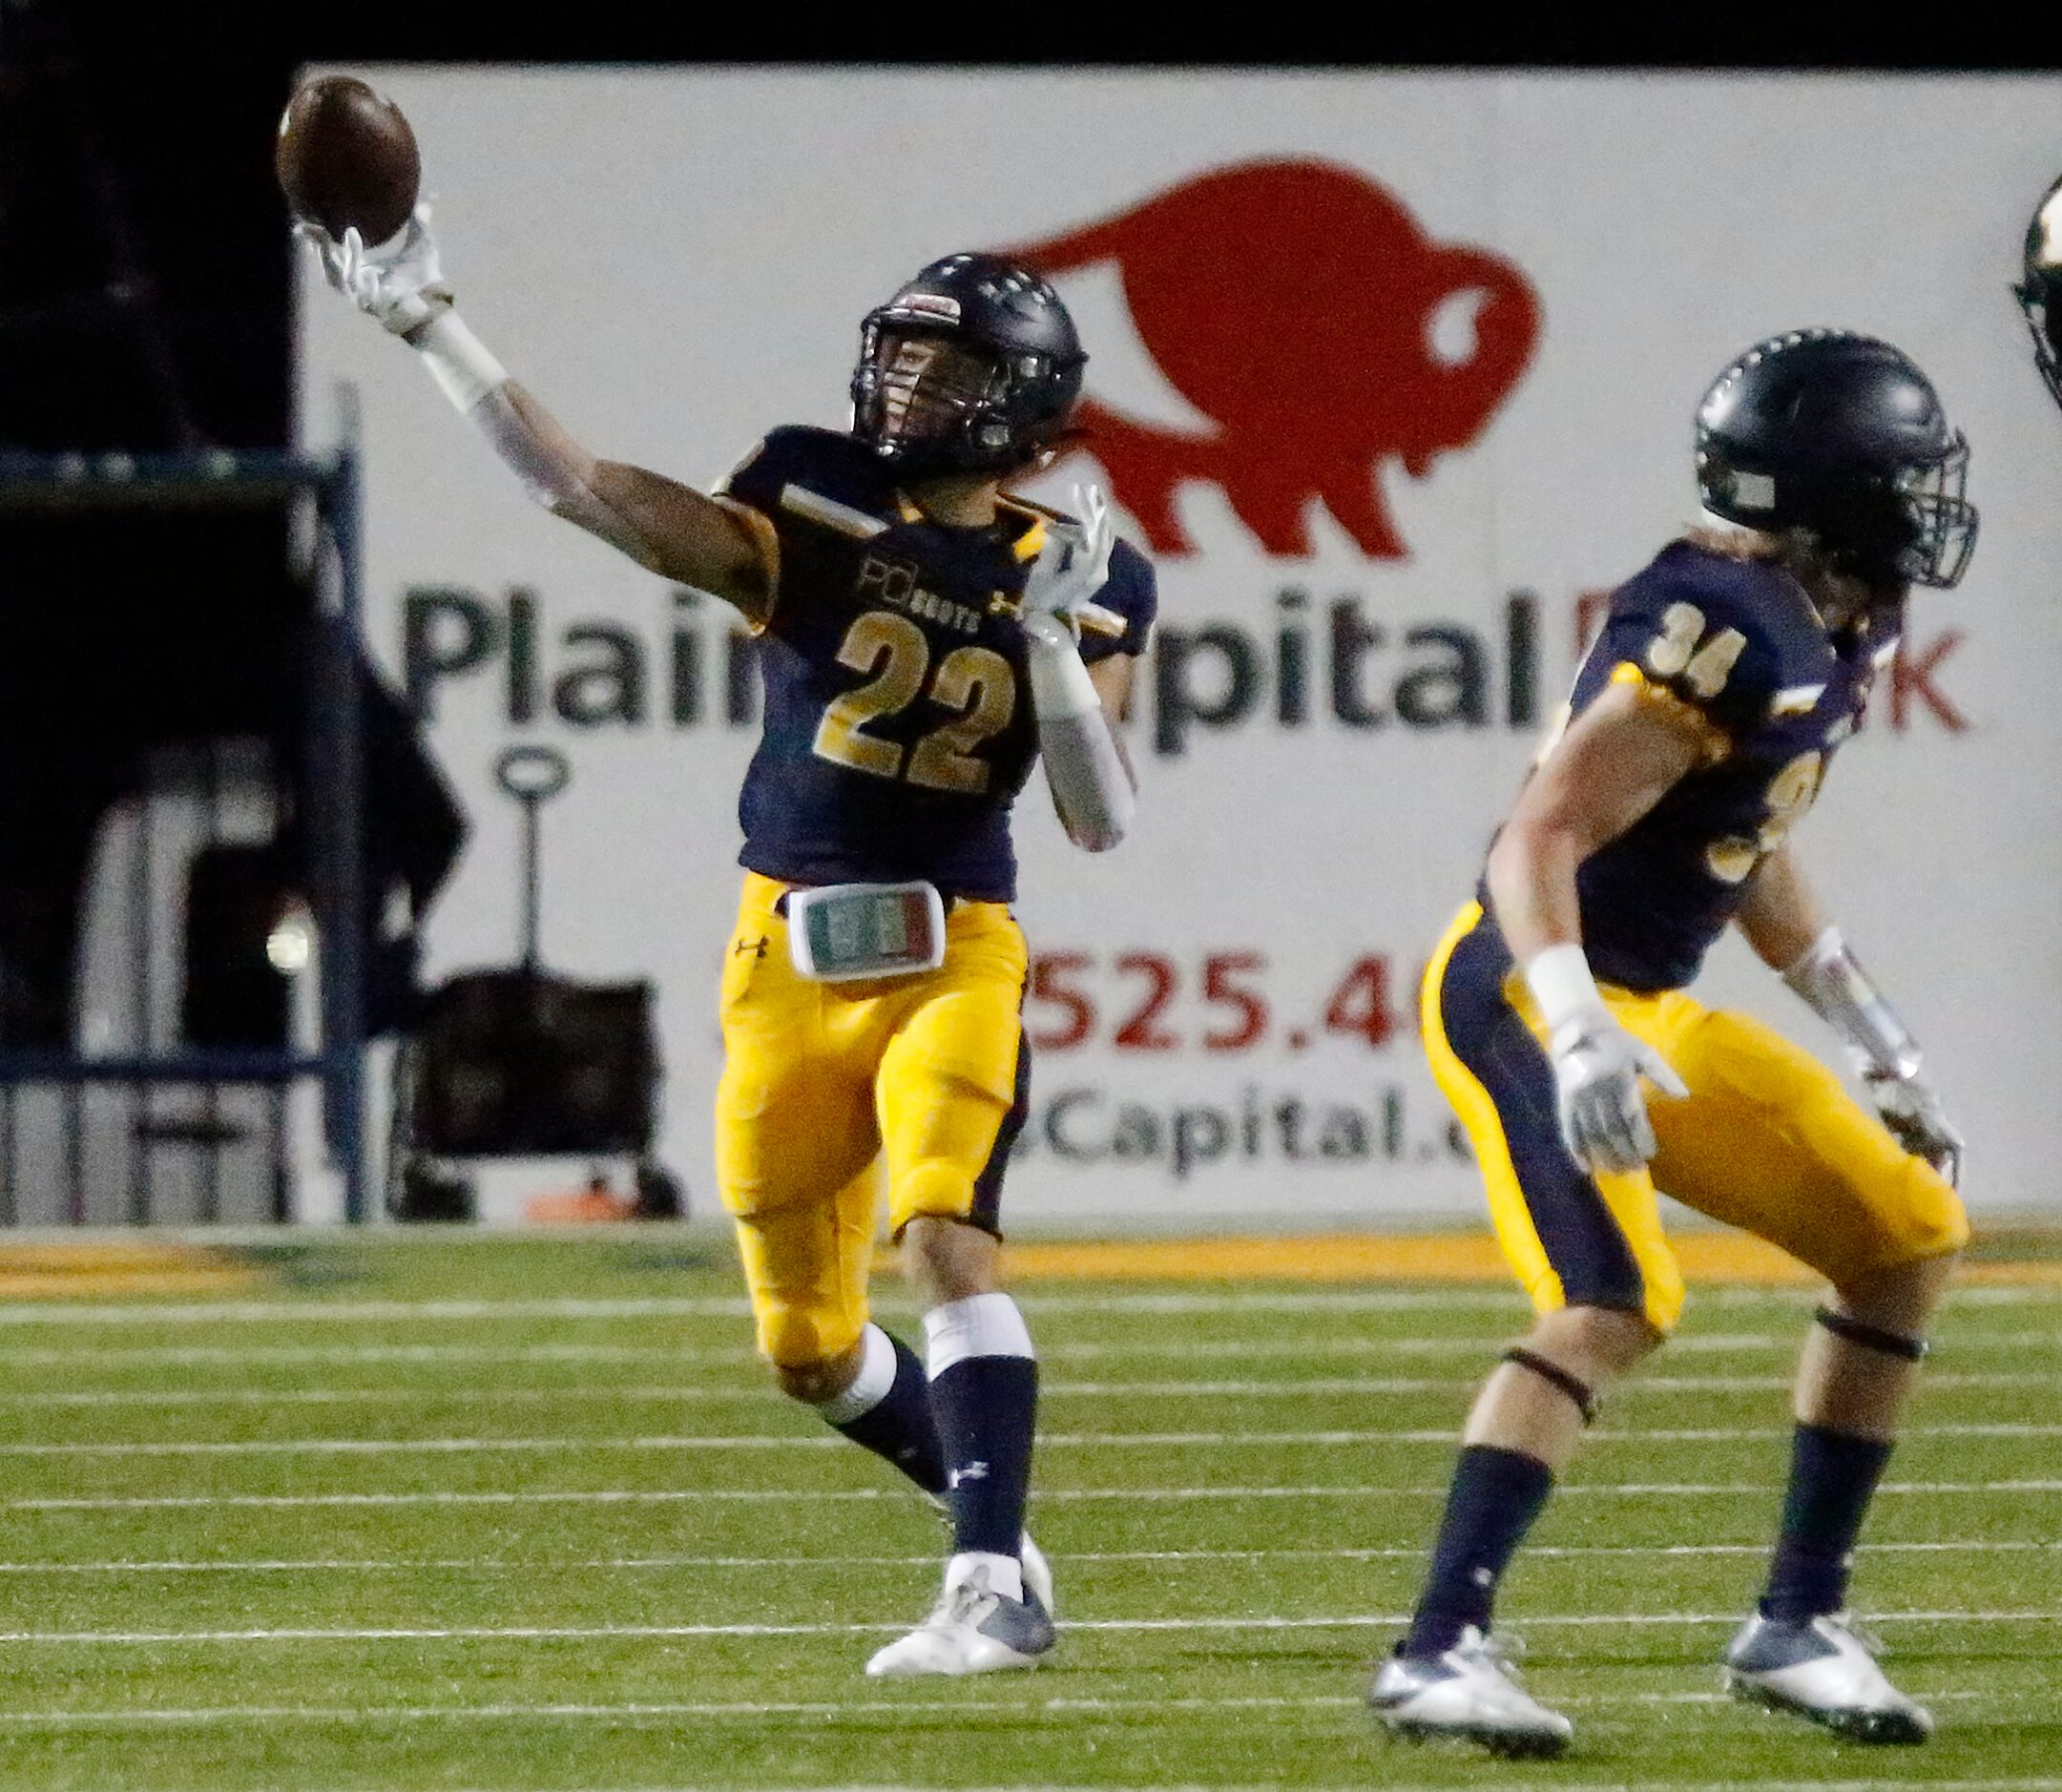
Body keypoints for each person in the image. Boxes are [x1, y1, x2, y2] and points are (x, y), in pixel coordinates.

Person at [304, 212, 1156, 1677]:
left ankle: (982, 1590)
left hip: (957, 948)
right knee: (807, 1351)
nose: (903, 385)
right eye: (900, 352)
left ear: (1018, 404)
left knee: (945, 1233)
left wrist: (1052, 653)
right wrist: (429, 323)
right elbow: (581, 490)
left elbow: (1098, 820)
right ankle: (999, 1534)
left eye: (944, 366)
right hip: (785, 961)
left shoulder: (1084, 570)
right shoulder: (811, 500)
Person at [1372, 329, 1974, 1756]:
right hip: (1529, 979)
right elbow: (1538, 836)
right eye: (1900, 475)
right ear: (1833, 485)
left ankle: (1795, 1620)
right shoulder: (1716, 619)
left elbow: (1743, 840)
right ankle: (1435, 1649)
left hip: (1642, 999)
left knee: (1904, 1233)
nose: (1925, 502)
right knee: (1616, 1297)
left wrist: (1867, 1026)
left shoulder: (1831, 611)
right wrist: (1576, 1028)